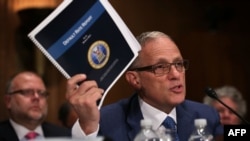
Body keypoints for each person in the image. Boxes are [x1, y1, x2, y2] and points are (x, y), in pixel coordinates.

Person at [66, 31, 223, 141]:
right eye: (161, 67)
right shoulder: (106, 122)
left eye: (179, 64)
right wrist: (87, 127)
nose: (176, 74)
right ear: (135, 79)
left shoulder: (206, 115)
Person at [0, 71, 71, 141]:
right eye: (27, 92)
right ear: (8, 101)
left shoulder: (65, 136)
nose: (36, 97)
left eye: (41, 93)